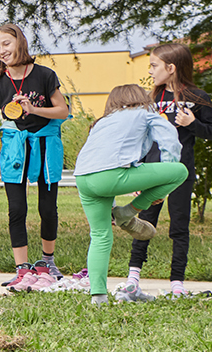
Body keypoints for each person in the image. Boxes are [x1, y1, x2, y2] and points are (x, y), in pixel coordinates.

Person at [119, 40, 212, 300]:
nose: (150, 71)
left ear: (171, 67)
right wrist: (136, 172)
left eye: (154, 65)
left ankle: (177, 283)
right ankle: (133, 279)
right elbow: (140, 138)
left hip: (180, 172)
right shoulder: (150, 99)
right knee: (144, 222)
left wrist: (192, 123)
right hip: (151, 172)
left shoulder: (198, 98)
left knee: (179, 226)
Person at [0, 22, 70, 290]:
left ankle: (47, 262)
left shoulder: (44, 75)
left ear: (20, 42)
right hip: (14, 149)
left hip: (45, 146)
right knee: (17, 209)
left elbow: (63, 111)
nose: (2, 50)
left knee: (47, 208)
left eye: (6, 43)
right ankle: (22, 269)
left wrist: (34, 109)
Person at [73, 83, 186, 305]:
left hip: (84, 179)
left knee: (100, 235)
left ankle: (98, 297)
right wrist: (165, 174)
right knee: (179, 172)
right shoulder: (144, 113)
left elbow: (100, 156)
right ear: (141, 99)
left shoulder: (102, 122)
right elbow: (169, 137)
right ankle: (126, 213)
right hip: (111, 175)